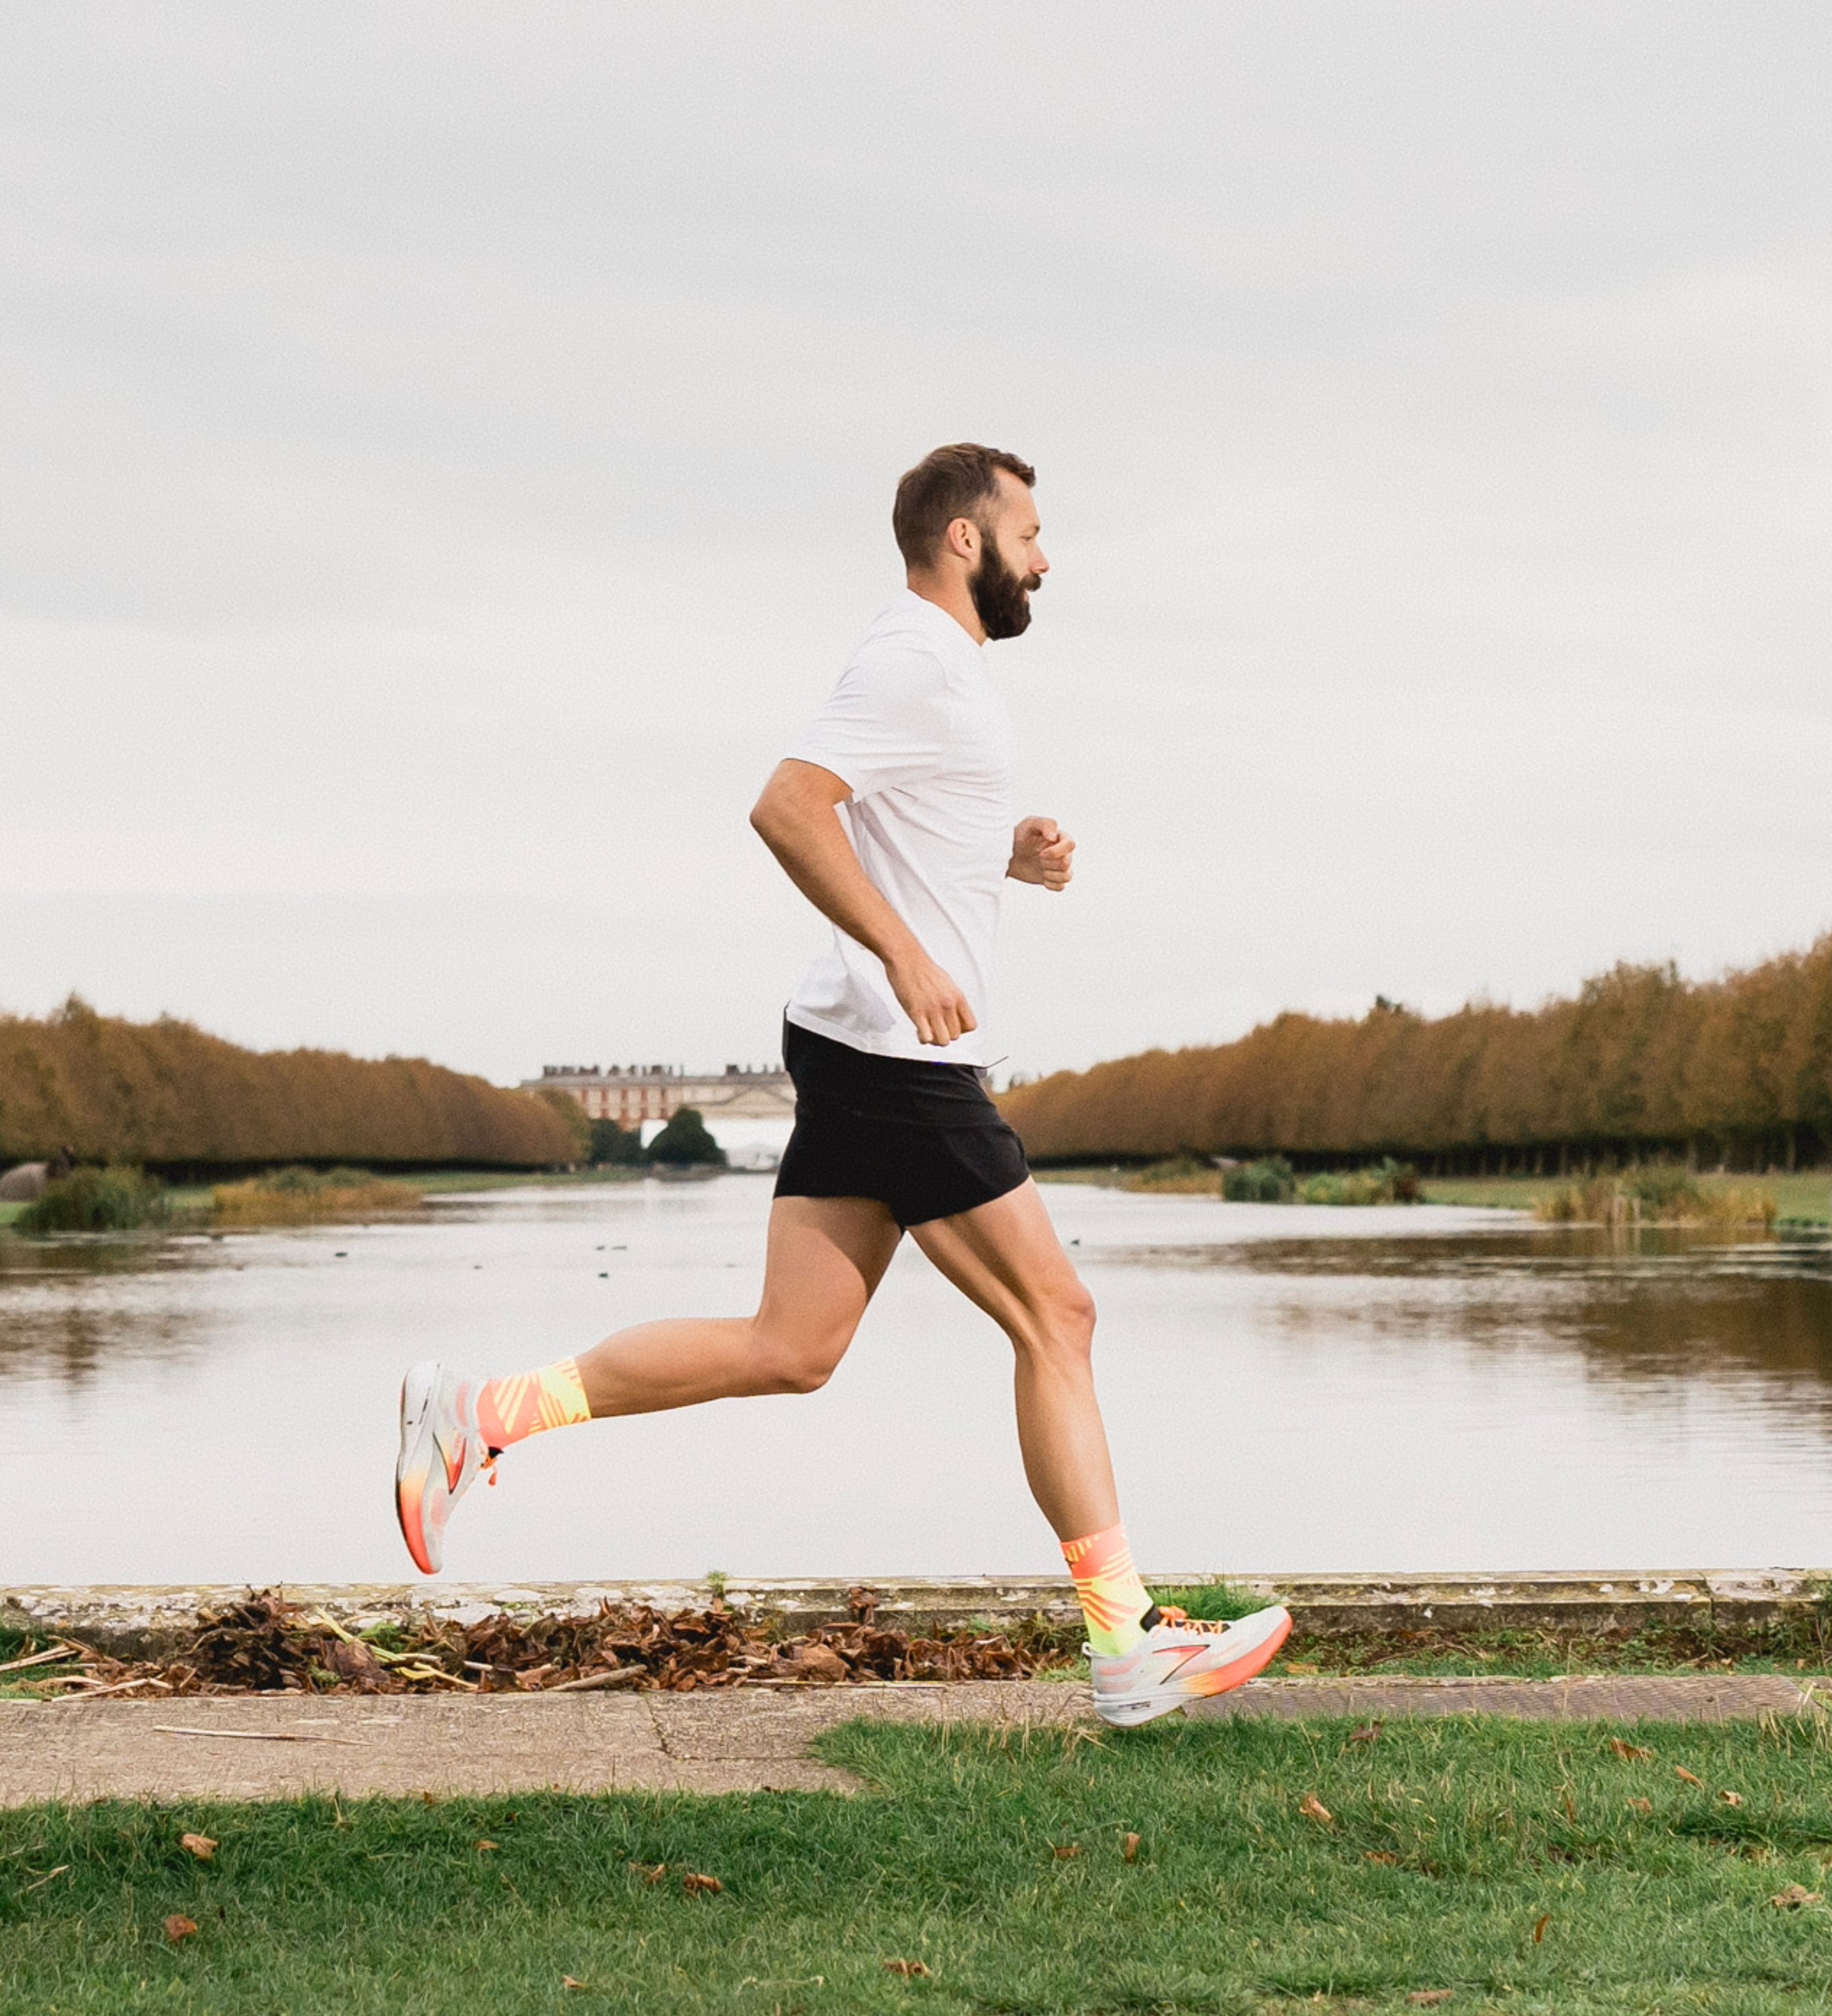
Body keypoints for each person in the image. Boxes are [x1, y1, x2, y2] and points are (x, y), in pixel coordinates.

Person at [396, 444, 1290, 1725]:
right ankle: (1125, 1640)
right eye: (1030, 533)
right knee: (1060, 1317)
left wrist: (1007, 855)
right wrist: (908, 949)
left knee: (792, 1347)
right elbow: (789, 806)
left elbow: (900, 821)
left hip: (861, 1049)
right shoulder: (910, 657)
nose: (1048, 557)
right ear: (965, 541)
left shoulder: (948, 675)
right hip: (898, 1055)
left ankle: (484, 1413)